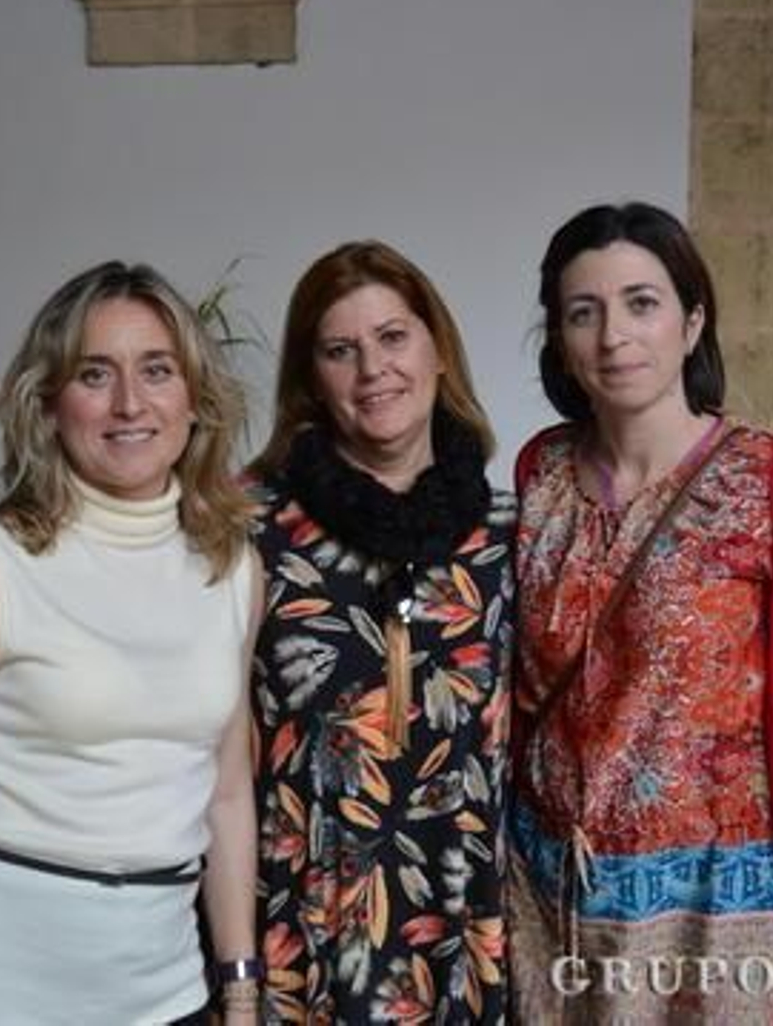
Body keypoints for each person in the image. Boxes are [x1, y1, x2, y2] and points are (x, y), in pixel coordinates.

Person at [0, 261, 264, 1025]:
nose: (129, 403)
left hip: (167, 990)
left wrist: (239, 989)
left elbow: (226, 790)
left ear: (195, 399)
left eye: (157, 370)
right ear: (49, 402)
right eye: (94, 373)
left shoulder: (234, 568)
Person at [505, 202, 773, 1022]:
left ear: (692, 318)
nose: (614, 336)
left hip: (722, 906)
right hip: (546, 895)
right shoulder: (542, 470)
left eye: (642, 302)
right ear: (560, 338)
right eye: (583, 311)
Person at [247, 240, 515, 1023]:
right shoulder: (253, 527)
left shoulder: (505, 533)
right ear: (312, 379)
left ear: (438, 350)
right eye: (341, 350)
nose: (373, 370)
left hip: (459, 921)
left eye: (393, 337)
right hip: (302, 924)